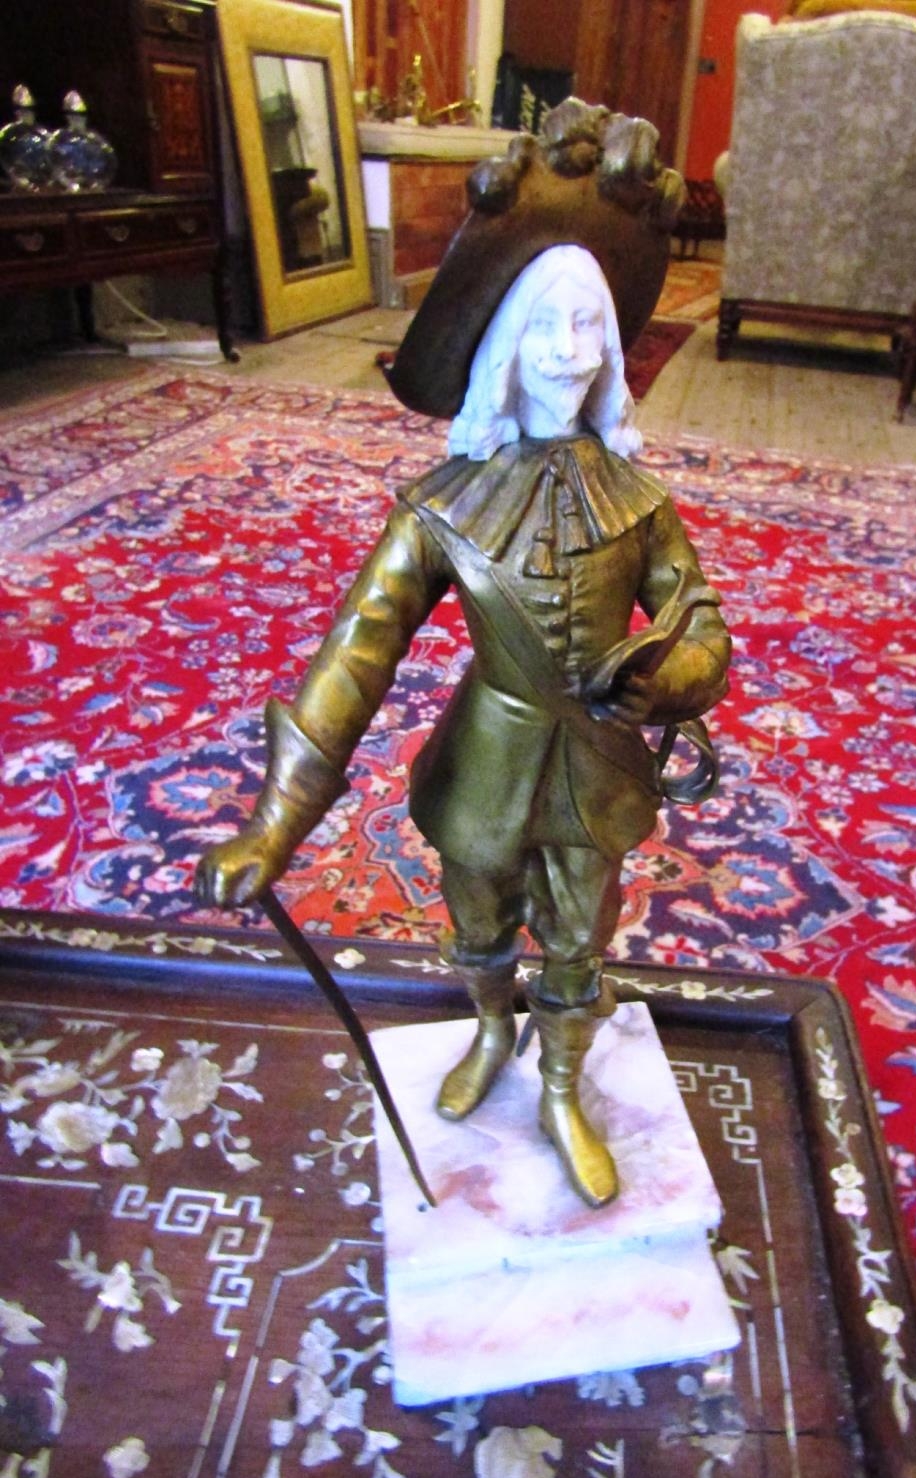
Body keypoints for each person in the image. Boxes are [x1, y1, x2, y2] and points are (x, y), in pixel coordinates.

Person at [194, 101, 731, 1209]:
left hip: (601, 765)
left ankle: (563, 1088)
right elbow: (358, 654)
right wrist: (273, 827)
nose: (570, 353)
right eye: (545, 328)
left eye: (589, 328)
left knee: (582, 938)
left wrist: (672, 675)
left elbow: (704, 624)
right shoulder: (440, 505)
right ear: (501, 346)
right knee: (477, 919)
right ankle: (490, 1032)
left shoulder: (641, 500)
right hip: (484, 759)